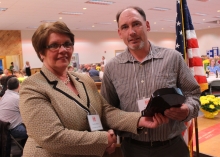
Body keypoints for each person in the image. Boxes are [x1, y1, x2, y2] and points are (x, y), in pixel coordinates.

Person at [19, 21, 164, 157]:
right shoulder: (32, 86)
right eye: (54, 45)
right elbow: (52, 137)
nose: (63, 50)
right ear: (41, 53)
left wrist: (139, 119)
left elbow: (105, 111)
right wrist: (103, 139)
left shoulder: (83, 79)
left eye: (67, 44)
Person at [100, 6, 201, 157]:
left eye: (136, 24)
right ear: (120, 33)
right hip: (132, 149)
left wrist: (187, 110)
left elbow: (193, 93)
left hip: (172, 147)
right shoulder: (112, 68)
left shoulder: (173, 58)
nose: (132, 32)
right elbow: (107, 110)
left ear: (147, 25)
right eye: (125, 27)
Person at [0, 77, 28, 151]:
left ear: (7, 86)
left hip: (4, 128)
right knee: (35, 131)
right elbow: (27, 112)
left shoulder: (5, 95)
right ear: (19, 86)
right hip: (13, 129)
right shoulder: (17, 98)